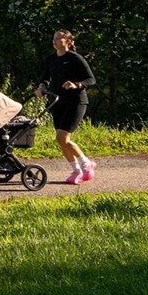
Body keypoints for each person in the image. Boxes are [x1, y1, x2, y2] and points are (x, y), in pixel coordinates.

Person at [35, 29, 97, 184]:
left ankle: (86, 163)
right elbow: (45, 78)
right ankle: (76, 170)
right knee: (60, 140)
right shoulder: (51, 59)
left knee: (62, 137)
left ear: (68, 41)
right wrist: (41, 87)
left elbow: (91, 79)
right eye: (53, 38)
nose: (54, 41)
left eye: (58, 38)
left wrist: (76, 85)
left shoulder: (75, 59)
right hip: (58, 102)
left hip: (76, 102)